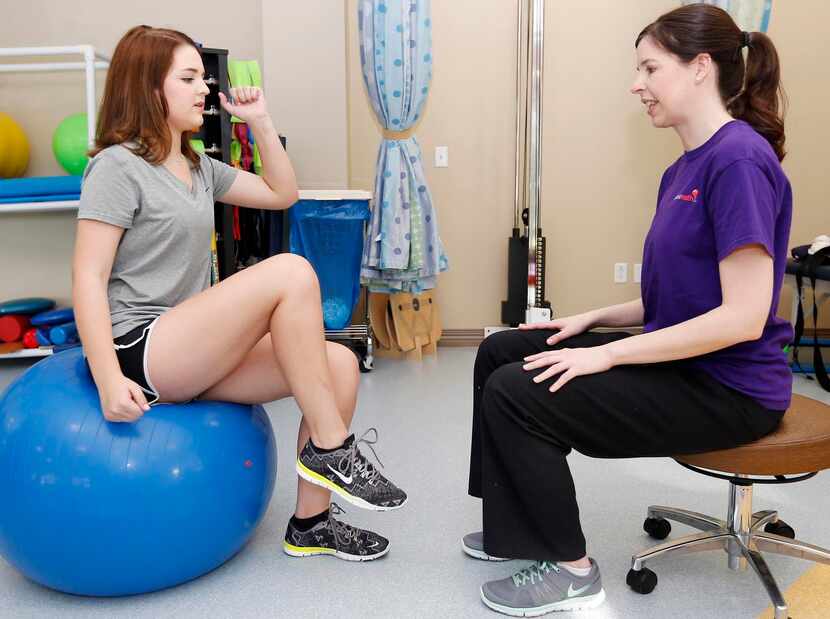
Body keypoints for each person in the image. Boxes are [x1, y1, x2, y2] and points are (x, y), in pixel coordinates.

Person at [465, 5, 793, 615]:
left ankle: (570, 571)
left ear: (700, 68)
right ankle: (517, 530)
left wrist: (608, 356)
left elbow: (742, 317)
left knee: (520, 390)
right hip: (689, 363)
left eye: (649, 67)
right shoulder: (684, 166)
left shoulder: (739, 162)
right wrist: (593, 320)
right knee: (503, 350)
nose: (635, 85)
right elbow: (684, 293)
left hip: (729, 387)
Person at [72, 25, 406, 563]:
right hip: (142, 348)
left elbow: (282, 194)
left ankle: (312, 523)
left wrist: (261, 122)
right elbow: (88, 278)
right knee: (291, 271)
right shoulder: (116, 167)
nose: (204, 89)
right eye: (188, 78)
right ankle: (332, 447)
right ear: (148, 89)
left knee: (340, 363)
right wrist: (109, 377)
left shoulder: (197, 166)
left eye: (202, 78)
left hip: (192, 347)